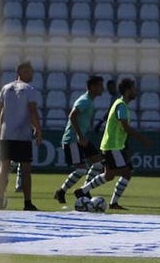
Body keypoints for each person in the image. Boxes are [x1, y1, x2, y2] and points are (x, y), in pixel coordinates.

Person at [74, 77, 152, 210]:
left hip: (112, 145)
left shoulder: (119, 103)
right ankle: (113, 203)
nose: (135, 91)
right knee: (126, 172)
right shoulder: (121, 105)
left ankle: (82, 191)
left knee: (109, 175)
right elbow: (125, 127)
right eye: (133, 89)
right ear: (127, 91)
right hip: (113, 146)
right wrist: (142, 138)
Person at [0, 61, 43, 211]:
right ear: (21, 71)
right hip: (22, 134)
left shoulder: (6, 88)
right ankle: (27, 203)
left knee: (4, 166)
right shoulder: (29, 89)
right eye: (29, 71)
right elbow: (32, 111)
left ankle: (0, 199)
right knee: (26, 168)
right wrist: (38, 130)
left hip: (7, 133)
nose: (32, 74)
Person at [53, 74, 106, 204]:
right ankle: (61, 191)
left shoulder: (89, 101)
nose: (102, 88)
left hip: (81, 139)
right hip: (73, 139)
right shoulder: (85, 101)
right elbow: (72, 116)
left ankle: (84, 189)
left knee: (99, 163)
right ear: (92, 87)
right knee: (81, 169)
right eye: (100, 86)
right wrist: (79, 136)